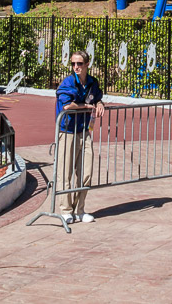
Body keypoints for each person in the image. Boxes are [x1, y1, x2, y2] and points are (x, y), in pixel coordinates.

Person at [54, 50, 104, 223]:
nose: (76, 67)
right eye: (73, 64)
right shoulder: (67, 83)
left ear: (87, 64)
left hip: (84, 131)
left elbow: (96, 97)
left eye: (79, 64)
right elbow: (68, 106)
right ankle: (66, 210)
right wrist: (87, 106)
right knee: (65, 172)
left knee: (86, 173)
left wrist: (98, 103)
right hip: (67, 131)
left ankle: (80, 210)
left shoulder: (92, 83)